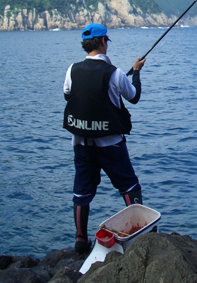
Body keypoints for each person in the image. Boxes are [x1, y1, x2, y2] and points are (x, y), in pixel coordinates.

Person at [62, 23, 146, 253]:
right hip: (110, 144)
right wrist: (136, 71)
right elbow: (134, 96)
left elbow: (68, 94)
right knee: (129, 185)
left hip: (81, 143)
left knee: (81, 191)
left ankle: (81, 240)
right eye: (106, 40)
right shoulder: (115, 73)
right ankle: (140, 235)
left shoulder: (72, 69)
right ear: (102, 42)